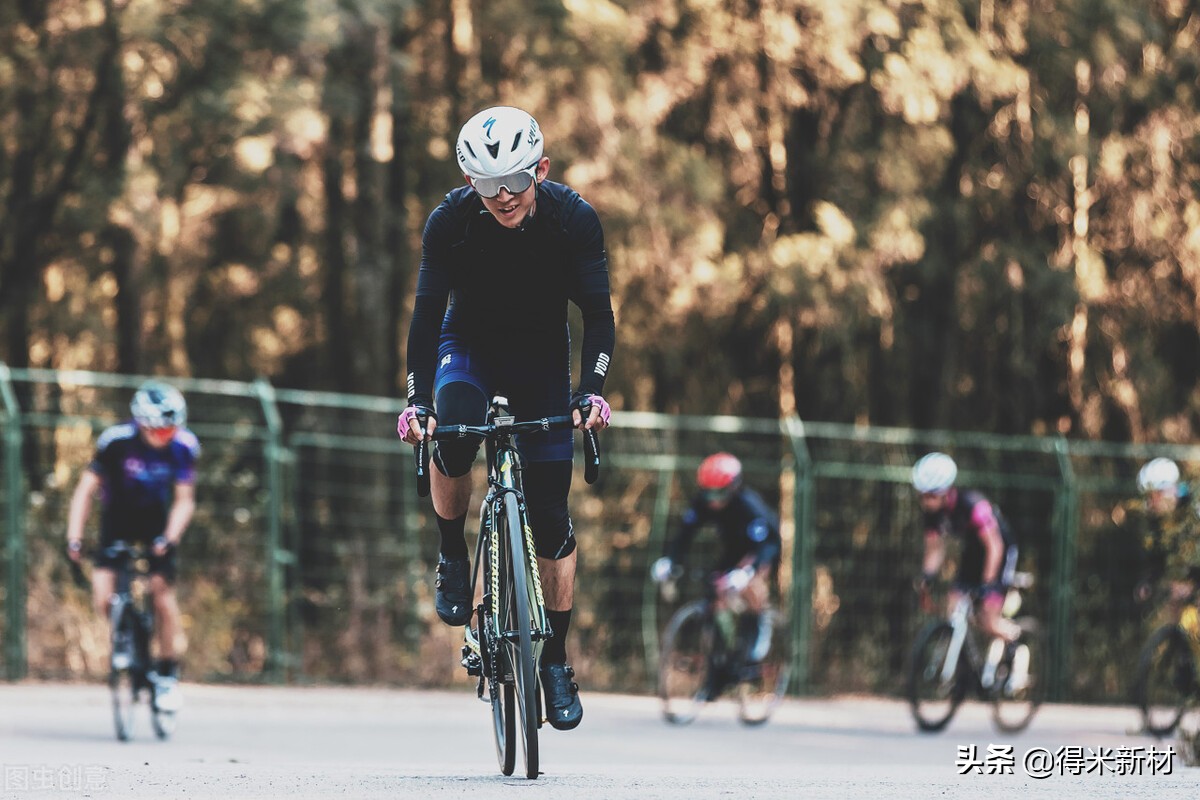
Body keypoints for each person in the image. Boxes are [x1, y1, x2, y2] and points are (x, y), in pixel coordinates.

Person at [396, 106, 614, 732]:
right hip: (468, 347)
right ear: (469, 183)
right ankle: (452, 556)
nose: (503, 198)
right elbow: (424, 317)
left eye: (515, 182)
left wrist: (592, 393)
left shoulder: (572, 220)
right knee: (455, 431)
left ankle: (555, 660)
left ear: (540, 170)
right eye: (487, 187)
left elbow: (599, 319)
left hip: (542, 356)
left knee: (550, 519)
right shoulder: (451, 222)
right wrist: (418, 402)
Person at [66, 380, 199, 712]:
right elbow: (85, 492)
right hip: (117, 519)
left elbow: (184, 501)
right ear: (141, 423)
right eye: (159, 430)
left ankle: (167, 673)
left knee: (161, 594)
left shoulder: (184, 446)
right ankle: (127, 638)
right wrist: (74, 537)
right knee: (103, 594)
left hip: (157, 521)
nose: (165, 436)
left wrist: (169, 538)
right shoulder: (115, 443)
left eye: (171, 429)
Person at [650, 453, 782, 667]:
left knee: (750, 583)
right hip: (733, 547)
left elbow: (766, 546)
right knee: (716, 591)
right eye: (708, 493)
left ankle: (759, 622)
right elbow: (685, 534)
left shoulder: (749, 506)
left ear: (733, 488)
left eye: (719, 493)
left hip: (762, 547)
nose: (714, 500)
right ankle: (722, 658)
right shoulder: (702, 503)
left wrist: (748, 572)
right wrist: (670, 560)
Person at [911, 452, 1026, 688]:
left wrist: (987, 585)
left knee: (986, 617)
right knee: (954, 607)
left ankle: (1017, 644)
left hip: (999, 552)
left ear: (945, 492)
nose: (925, 501)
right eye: (922, 495)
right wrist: (927, 576)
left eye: (930, 495)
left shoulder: (973, 505)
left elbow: (994, 546)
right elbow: (934, 550)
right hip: (973, 554)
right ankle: (963, 669)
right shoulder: (933, 514)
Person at [1131, 457, 1199, 620]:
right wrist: (1149, 582)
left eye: (1155, 496)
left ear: (1170, 491)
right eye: (1148, 497)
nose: (1151, 503)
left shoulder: (1194, 511)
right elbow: (1159, 558)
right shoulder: (1158, 523)